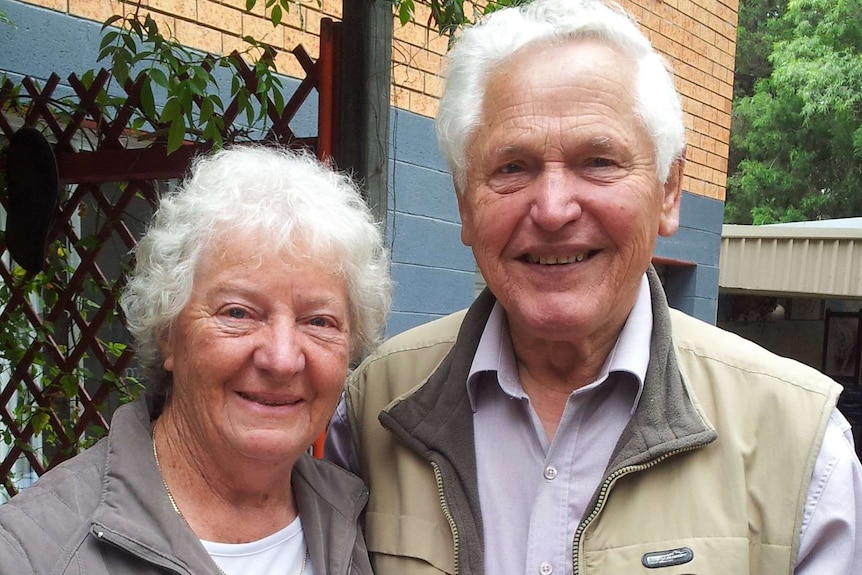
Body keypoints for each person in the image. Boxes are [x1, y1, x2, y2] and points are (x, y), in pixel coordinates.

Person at [324, 1, 862, 574]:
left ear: (670, 191)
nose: (553, 209)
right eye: (512, 168)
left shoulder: (799, 443)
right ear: (464, 203)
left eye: (598, 161)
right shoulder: (372, 410)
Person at [0, 145, 391, 574]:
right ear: (167, 331)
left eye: (319, 321)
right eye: (238, 313)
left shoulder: (361, 524)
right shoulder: (32, 553)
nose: (282, 360)